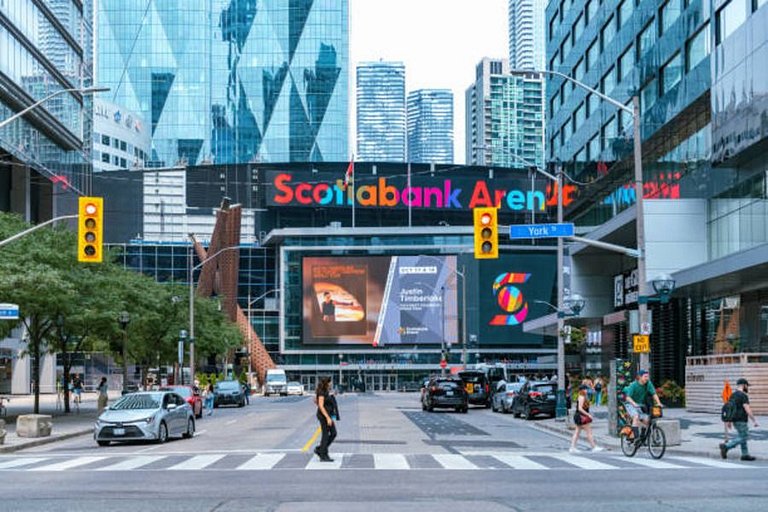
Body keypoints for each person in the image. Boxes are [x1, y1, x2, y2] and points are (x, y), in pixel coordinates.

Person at [720, 378, 759, 461]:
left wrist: (729, 421)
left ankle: (745, 455)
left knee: (742, 435)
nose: (747, 388)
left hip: (734, 420)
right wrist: (754, 420)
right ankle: (726, 446)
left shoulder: (732, 395)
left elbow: (729, 408)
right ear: (743, 385)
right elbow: (747, 408)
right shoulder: (743, 396)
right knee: (744, 436)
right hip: (741, 419)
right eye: (747, 386)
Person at [623, 369, 662, 440]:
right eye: (645, 376)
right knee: (636, 416)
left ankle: (642, 436)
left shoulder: (648, 383)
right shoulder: (633, 385)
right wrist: (634, 403)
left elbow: (654, 394)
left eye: (647, 376)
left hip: (640, 405)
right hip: (630, 404)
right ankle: (636, 437)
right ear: (640, 377)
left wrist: (659, 403)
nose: (647, 378)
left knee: (647, 420)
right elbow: (627, 397)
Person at [570, 384, 603, 453]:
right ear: (582, 390)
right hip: (582, 416)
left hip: (579, 416)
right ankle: (594, 447)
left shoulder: (582, 396)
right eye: (585, 389)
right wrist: (588, 415)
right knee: (589, 432)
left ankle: (572, 447)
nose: (586, 390)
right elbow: (580, 408)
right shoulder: (582, 397)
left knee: (577, 432)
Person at [314, 377, 338, 462]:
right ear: (326, 383)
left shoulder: (326, 391)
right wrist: (327, 417)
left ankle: (320, 449)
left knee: (333, 433)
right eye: (330, 382)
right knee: (325, 435)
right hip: (324, 416)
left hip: (328, 415)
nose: (331, 384)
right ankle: (323, 455)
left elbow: (316, 401)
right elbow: (320, 405)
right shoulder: (321, 392)